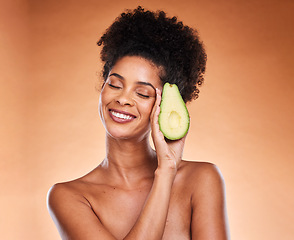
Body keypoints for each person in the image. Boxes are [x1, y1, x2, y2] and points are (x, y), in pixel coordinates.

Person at [47, 6, 230, 240]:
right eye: (114, 84)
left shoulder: (201, 180)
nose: (123, 99)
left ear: (166, 106)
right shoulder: (69, 196)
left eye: (142, 93)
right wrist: (165, 174)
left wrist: (168, 167)